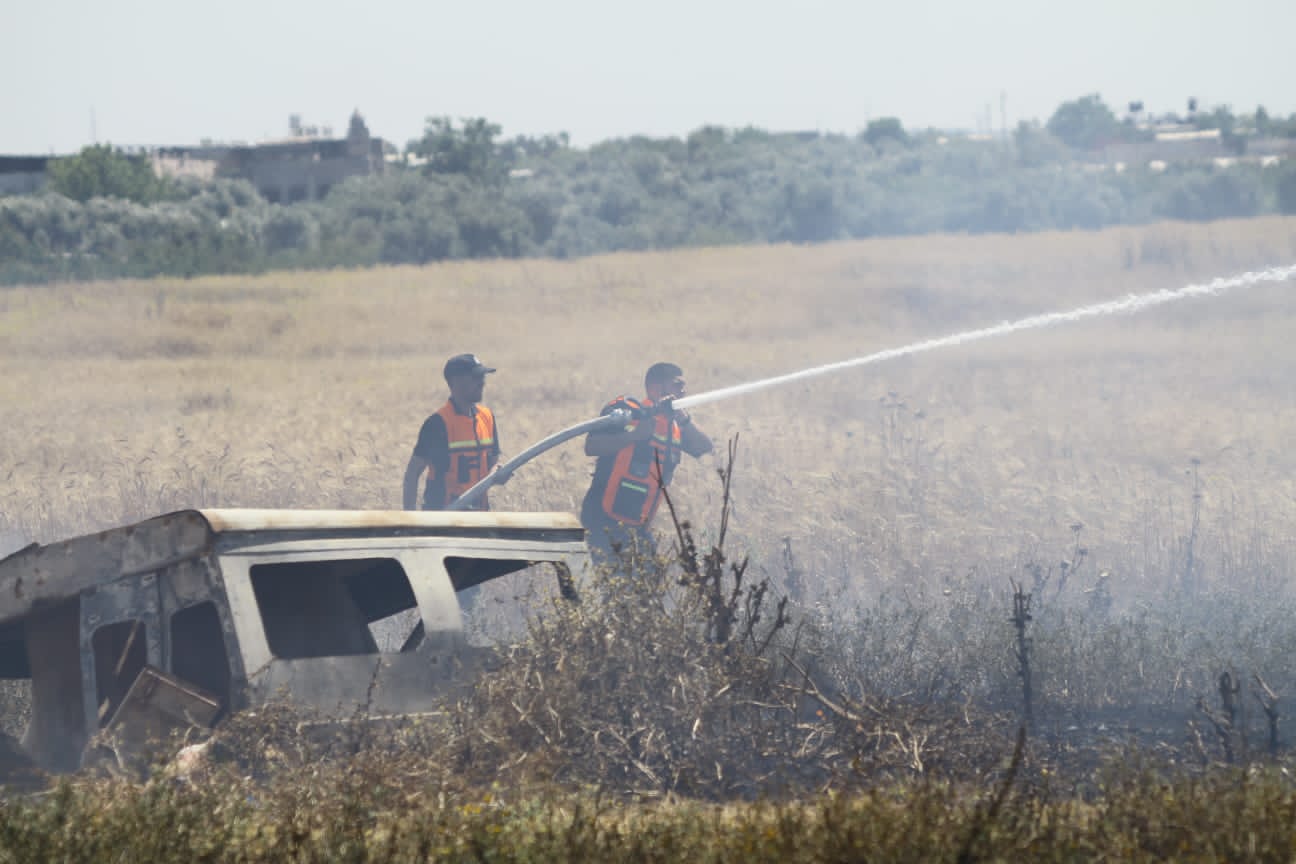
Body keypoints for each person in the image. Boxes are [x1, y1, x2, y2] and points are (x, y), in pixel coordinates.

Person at [580, 362, 713, 571]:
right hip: (603, 517)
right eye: (677, 384)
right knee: (613, 581)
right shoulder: (627, 410)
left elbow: (703, 447)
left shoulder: (675, 426)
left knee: (650, 581)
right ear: (656, 386)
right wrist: (634, 436)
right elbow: (592, 445)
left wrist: (684, 419)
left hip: (638, 524)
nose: (683, 391)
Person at [403, 353, 501, 512]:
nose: (482, 383)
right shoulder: (437, 424)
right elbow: (412, 474)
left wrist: (496, 473)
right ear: (456, 382)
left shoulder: (487, 417)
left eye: (483, 377)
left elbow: (493, 463)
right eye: (476, 377)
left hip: (481, 518)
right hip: (444, 519)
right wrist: (410, 520)